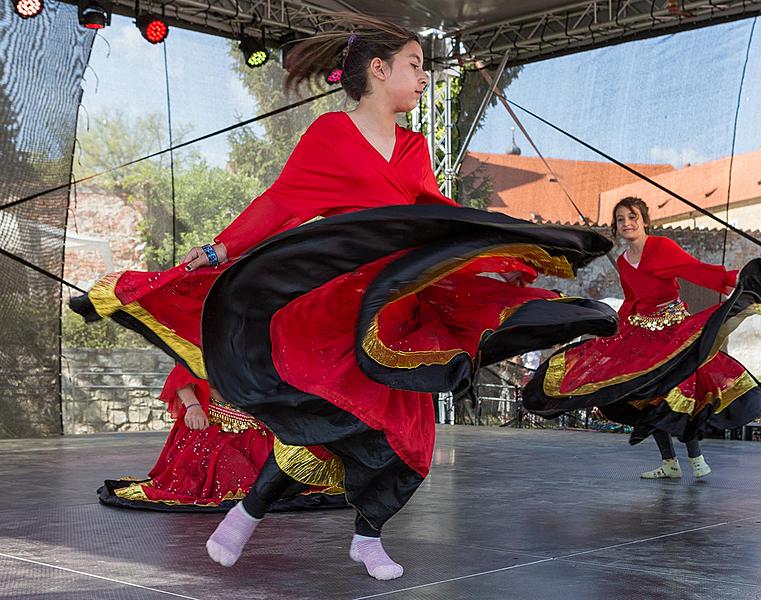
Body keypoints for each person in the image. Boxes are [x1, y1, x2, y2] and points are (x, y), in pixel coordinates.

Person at [71, 14, 617, 580]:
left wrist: (505, 251)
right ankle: (246, 514)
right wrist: (219, 249)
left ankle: (367, 537)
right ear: (379, 70)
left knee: (407, 434)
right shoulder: (329, 136)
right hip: (336, 310)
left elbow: (440, 217)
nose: (424, 77)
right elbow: (281, 202)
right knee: (327, 418)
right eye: (415, 65)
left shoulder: (412, 147)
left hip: (399, 313)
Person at [524, 197, 761, 479]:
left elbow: (695, 269)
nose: (627, 223)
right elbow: (631, 300)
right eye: (620, 219)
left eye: (632, 217)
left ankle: (696, 458)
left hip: (672, 331)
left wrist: (734, 279)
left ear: (644, 221)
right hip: (641, 332)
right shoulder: (623, 261)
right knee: (645, 395)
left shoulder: (660, 248)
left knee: (676, 390)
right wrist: (617, 333)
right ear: (616, 228)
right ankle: (669, 462)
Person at [98, 364, 346, 511]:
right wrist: (193, 405)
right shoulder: (212, 330)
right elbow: (181, 374)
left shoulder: (267, 333)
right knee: (235, 476)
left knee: (286, 476)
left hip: (259, 428)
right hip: (214, 430)